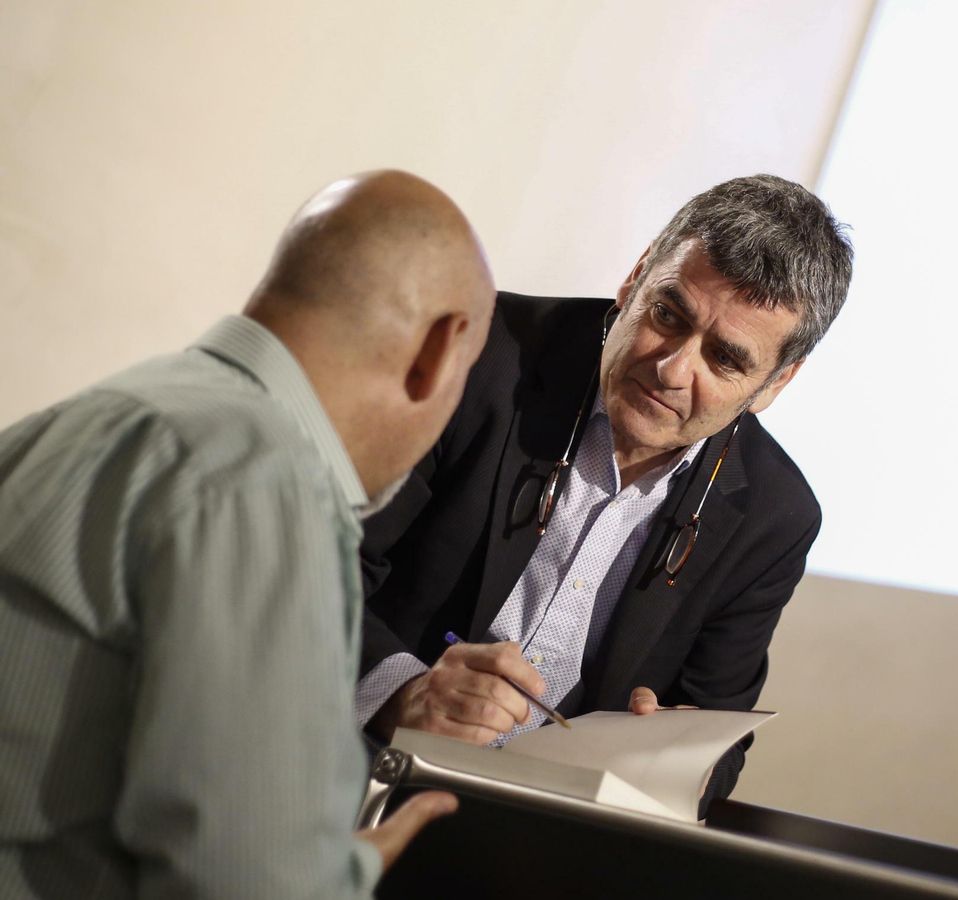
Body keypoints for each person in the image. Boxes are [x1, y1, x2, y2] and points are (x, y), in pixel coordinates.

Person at [0, 170, 496, 896]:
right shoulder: (268, 486)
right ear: (439, 351)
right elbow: (250, 884)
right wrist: (347, 869)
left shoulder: (92, 416)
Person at [356, 174, 852, 806]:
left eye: (725, 359)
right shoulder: (480, 351)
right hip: (343, 763)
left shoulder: (774, 516)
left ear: (776, 383)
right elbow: (309, 566)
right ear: (635, 277)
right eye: (668, 315)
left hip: (537, 829)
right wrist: (402, 694)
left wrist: (669, 754)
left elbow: (719, 748)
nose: (672, 369)